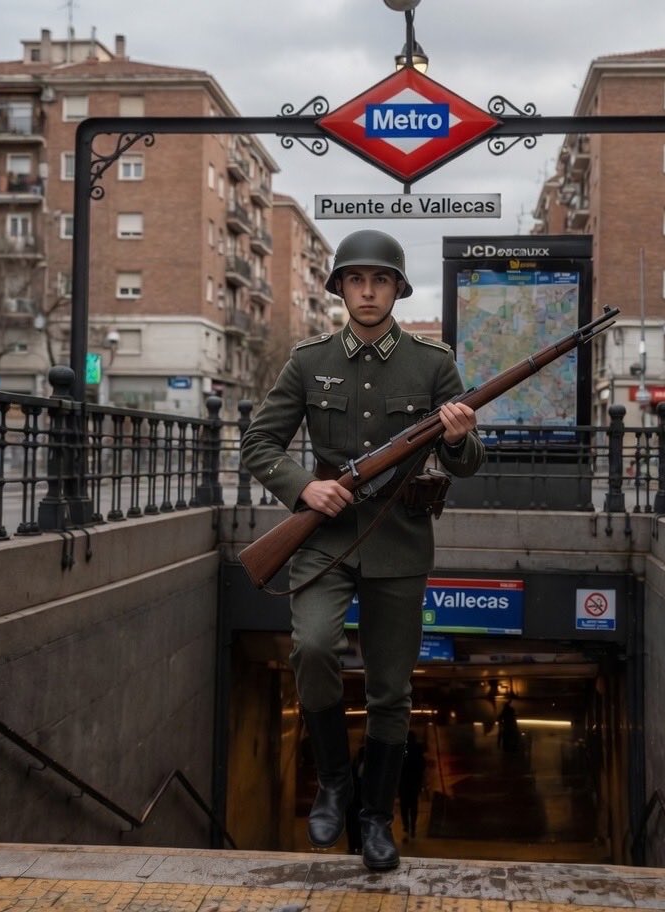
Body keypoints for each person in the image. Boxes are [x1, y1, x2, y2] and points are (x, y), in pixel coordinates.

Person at [241, 229, 485, 871]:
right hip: (322, 541)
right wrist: (306, 488)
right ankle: (332, 782)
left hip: (400, 544)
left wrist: (458, 438)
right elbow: (258, 445)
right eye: (356, 280)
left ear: (398, 290)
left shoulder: (432, 364)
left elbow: (466, 466)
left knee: (390, 690)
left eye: (380, 280)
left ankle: (376, 817)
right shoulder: (309, 361)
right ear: (341, 288)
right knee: (313, 647)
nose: (368, 290)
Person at [398, 730, 425, 840]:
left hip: (405, 782)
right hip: (413, 782)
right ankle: (412, 826)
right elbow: (422, 765)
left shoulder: (404, 750)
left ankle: (407, 826)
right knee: (413, 806)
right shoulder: (417, 750)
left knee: (405, 806)